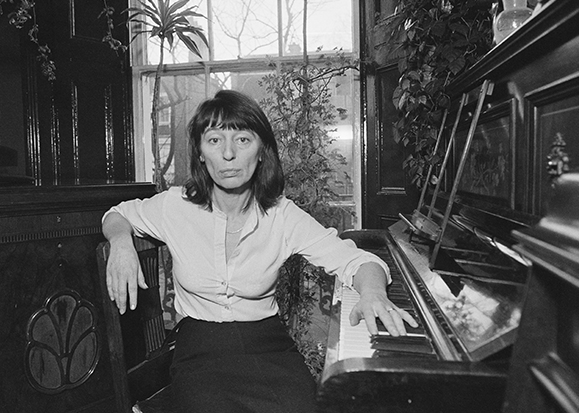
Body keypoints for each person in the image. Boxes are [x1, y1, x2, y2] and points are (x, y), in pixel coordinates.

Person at [102, 90, 418, 413]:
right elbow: (116, 215)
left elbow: (357, 260)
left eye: (242, 140)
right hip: (199, 349)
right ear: (200, 153)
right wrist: (121, 242)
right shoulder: (175, 206)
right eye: (214, 140)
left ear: (262, 151)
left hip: (268, 346)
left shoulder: (281, 215)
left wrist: (373, 293)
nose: (228, 154)